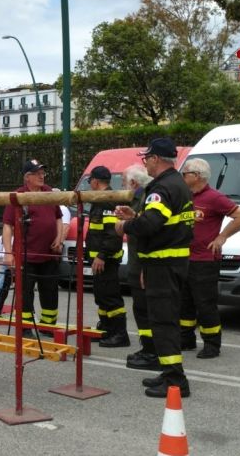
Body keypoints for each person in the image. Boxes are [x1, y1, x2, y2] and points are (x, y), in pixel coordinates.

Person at [115, 138, 194, 398]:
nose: (145, 163)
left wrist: (125, 226)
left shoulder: (161, 188)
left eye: (146, 158)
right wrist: (137, 216)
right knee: (165, 320)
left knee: (163, 323)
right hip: (171, 263)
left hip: (162, 265)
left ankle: (175, 380)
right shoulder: (177, 184)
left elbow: (150, 225)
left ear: (156, 159)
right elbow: (160, 221)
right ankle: (169, 372)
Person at [179, 158, 240, 359]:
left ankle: (212, 344)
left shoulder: (214, 197)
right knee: (184, 303)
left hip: (205, 261)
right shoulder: (184, 196)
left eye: (184, 174)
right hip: (184, 258)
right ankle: (186, 339)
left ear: (197, 176)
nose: (182, 177)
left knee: (205, 304)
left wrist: (222, 236)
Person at [1, 158, 64, 337]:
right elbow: (7, 226)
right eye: (37, 174)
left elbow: (58, 218)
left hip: (49, 254)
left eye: (43, 173)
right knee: (25, 293)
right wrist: (8, 253)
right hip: (26, 255)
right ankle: (25, 327)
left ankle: (48, 325)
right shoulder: (18, 195)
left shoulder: (49, 192)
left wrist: (59, 239)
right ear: (27, 177)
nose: (41, 176)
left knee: (50, 291)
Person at [85, 165, 129, 348]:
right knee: (101, 296)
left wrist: (102, 255)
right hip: (100, 259)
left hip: (106, 260)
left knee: (110, 296)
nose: (90, 184)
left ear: (95, 181)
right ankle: (106, 329)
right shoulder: (101, 199)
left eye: (90, 181)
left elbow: (113, 234)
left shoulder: (108, 201)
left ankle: (119, 334)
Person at [120, 164, 157, 369]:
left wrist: (144, 267)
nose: (122, 187)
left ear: (134, 183)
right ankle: (148, 348)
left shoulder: (145, 198)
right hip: (140, 262)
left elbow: (148, 233)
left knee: (145, 310)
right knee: (141, 309)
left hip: (143, 264)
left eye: (124, 182)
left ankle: (152, 352)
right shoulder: (141, 198)